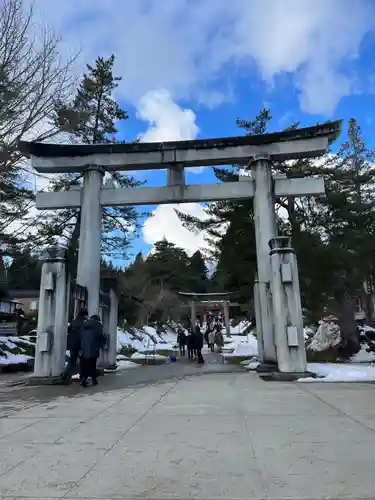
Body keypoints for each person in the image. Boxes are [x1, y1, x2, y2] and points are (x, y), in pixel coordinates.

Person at [79, 314, 104, 387]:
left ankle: (86, 378)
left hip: (84, 347)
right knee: (92, 364)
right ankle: (91, 379)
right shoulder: (98, 326)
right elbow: (99, 336)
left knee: (85, 364)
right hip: (94, 347)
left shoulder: (84, 325)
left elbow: (80, 335)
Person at [63, 308, 87, 382]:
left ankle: (66, 375)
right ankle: (82, 377)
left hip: (71, 345)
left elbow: (69, 333)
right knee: (83, 361)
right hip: (80, 345)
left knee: (72, 361)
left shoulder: (73, 322)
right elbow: (83, 336)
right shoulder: (84, 324)